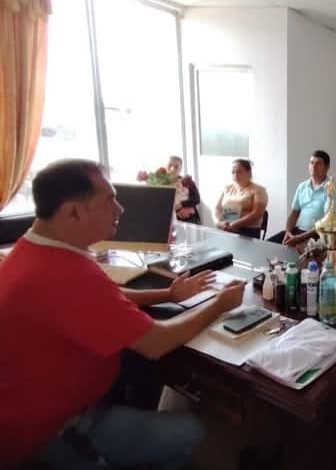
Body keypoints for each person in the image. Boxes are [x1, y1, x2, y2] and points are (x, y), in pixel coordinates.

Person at [0, 159, 245, 468]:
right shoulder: (63, 273)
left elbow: (105, 297)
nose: (120, 209)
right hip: (51, 432)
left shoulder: (34, 250)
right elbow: (156, 343)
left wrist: (169, 294)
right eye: (110, 200)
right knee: (193, 431)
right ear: (73, 212)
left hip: (43, 409)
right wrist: (220, 304)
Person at [268, 150, 336, 247]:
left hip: (317, 236)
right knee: (268, 245)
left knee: (295, 250)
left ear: (327, 167)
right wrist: (288, 232)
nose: (313, 166)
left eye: (318, 163)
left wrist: (300, 238)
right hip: (298, 232)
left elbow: (327, 222)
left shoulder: (332, 189)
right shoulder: (302, 187)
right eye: (311, 163)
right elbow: (294, 213)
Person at [214, 158, 268, 239]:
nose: (235, 175)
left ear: (249, 173)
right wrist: (218, 222)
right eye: (233, 172)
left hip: (248, 231)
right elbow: (217, 208)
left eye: (239, 172)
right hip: (226, 228)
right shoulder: (228, 187)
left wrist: (234, 225)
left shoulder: (258, 190)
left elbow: (257, 214)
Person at [167, 155, 201, 224]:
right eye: (170, 165)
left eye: (176, 167)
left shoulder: (187, 181)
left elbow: (196, 199)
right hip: (171, 219)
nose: (172, 169)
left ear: (180, 169)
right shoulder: (161, 184)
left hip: (189, 219)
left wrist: (181, 204)